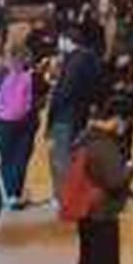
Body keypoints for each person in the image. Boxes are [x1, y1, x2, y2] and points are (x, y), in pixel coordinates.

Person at [68, 96, 133, 264]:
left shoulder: (85, 137)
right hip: (102, 214)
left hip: (86, 211)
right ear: (118, 120)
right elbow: (114, 180)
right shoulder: (104, 145)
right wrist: (132, 169)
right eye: (126, 123)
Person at [45, 26, 103, 197]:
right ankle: (76, 192)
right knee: (73, 155)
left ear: (67, 41)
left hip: (66, 115)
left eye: (60, 40)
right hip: (79, 114)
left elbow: (66, 90)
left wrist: (55, 98)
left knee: (60, 158)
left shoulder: (74, 61)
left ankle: (66, 195)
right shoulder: (89, 59)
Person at [0, 45, 38, 209]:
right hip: (26, 122)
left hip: (4, 122)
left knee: (7, 158)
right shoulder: (32, 76)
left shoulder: (0, 75)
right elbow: (38, 99)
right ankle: (16, 193)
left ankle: (10, 194)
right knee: (21, 159)